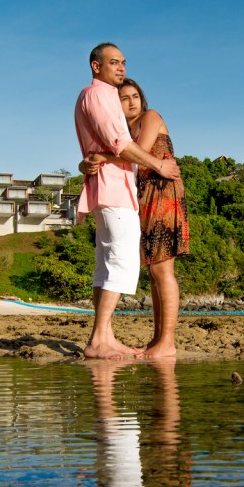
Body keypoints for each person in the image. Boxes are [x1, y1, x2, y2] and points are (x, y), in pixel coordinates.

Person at [73, 43, 181, 360]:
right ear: (96, 66)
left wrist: (94, 160)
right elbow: (120, 147)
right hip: (124, 192)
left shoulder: (145, 116)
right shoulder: (98, 97)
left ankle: (157, 341)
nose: (121, 67)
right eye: (114, 62)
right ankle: (104, 339)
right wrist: (91, 161)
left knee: (135, 266)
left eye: (123, 62)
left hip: (154, 194)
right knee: (122, 263)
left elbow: (118, 149)